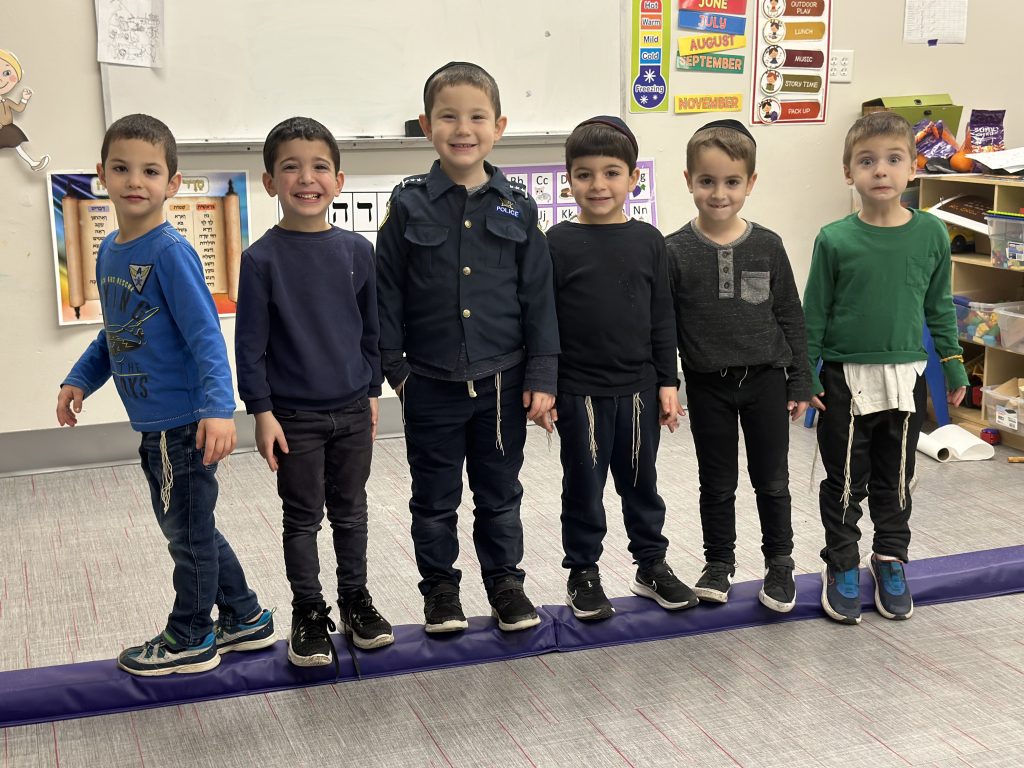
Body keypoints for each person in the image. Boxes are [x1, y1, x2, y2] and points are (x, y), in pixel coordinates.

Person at [56, 114, 273, 675]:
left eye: (150, 171)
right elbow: (115, 333)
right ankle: (245, 616)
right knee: (192, 526)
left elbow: (206, 334)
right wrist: (80, 378)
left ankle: (190, 636)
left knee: (186, 535)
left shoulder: (170, 252)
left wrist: (218, 410)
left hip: (184, 424)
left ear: (172, 183)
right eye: (122, 168)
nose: (136, 180)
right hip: (155, 425)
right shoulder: (110, 251)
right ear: (102, 174)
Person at [376, 61, 559, 633]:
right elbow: (387, 292)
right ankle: (440, 593)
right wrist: (396, 371)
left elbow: (538, 297)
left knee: (500, 494)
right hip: (429, 381)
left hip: (503, 381)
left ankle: (506, 584)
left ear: (498, 127)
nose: (463, 129)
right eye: (448, 117)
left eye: (478, 117)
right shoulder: (408, 204)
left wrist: (543, 375)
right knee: (433, 499)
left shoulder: (518, 206)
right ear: (426, 126)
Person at [234, 117, 394, 666]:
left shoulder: (357, 251)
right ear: (269, 182)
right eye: (291, 167)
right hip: (294, 417)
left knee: (352, 512)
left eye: (320, 167)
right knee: (302, 517)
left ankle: (355, 600)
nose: (307, 178)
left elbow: (370, 330)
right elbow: (249, 347)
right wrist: (261, 412)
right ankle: (308, 609)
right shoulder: (260, 260)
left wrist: (371, 390)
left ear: (339, 181)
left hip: (352, 410)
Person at [804, 110, 967, 625]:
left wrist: (954, 365)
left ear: (913, 168)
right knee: (845, 480)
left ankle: (890, 557)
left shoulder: (931, 234)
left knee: (896, 478)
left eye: (894, 159)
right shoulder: (834, 239)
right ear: (847, 171)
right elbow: (814, 313)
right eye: (867, 161)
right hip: (844, 379)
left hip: (905, 378)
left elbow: (939, 307)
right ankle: (842, 561)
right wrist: (804, 375)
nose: (881, 170)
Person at [546, 116, 696, 621]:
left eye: (612, 173)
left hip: (638, 389)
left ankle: (650, 564)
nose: (598, 185)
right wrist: (546, 386)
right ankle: (583, 572)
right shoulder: (556, 242)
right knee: (583, 488)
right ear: (569, 180)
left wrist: (668, 381)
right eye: (584, 174)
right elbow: (542, 321)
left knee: (641, 484)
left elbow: (662, 316)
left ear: (633, 178)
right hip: (579, 392)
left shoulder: (649, 240)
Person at [665, 119, 810, 614]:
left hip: (767, 381)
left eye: (731, 182)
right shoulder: (673, 250)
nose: (719, 193)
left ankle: (780, 563)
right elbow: (665, 326)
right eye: (707, 181)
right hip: (708, 386)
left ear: (750, 183)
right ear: (689, 180)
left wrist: (801, 380)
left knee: (772, 480)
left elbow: (789, 313)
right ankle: (718, 563)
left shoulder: (767, 244)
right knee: (716, 482)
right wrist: (668, 383)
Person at [0, 49, 49, 171]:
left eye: (7, 73)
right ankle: (32, 163)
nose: (1, 80)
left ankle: (33, 163)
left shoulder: (6, 101)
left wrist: (24, 99)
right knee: (17, 145)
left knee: (17, 145)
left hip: (7, 128)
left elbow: (19, 108)